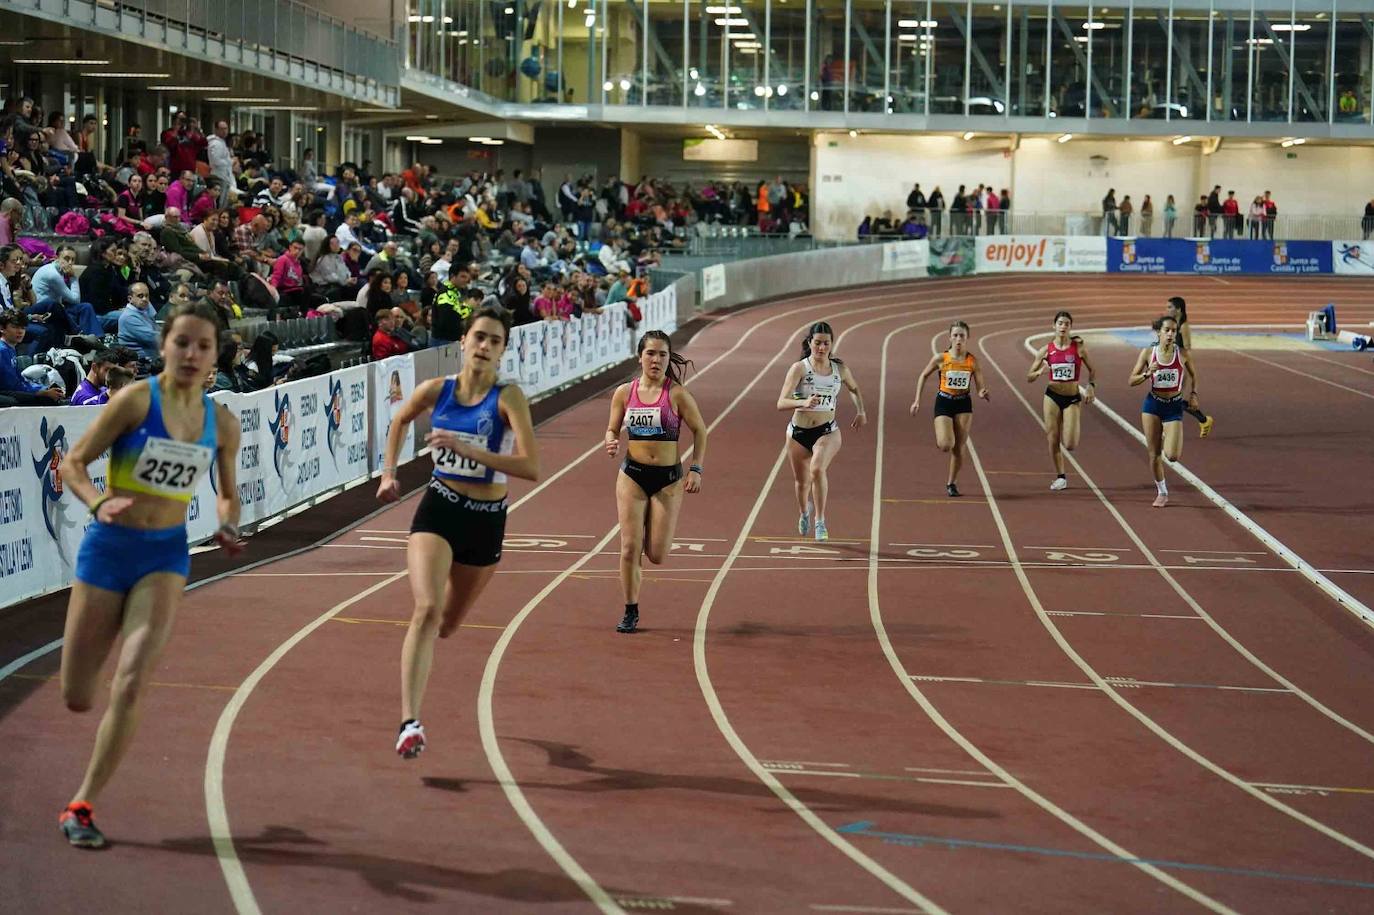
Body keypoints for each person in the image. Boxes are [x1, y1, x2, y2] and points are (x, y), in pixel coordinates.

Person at [55, 301, 243, 848]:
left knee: (133, 680)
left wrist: (229, 523)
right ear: (163, 345)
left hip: (165, 555)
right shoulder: (136, 400)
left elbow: (228, 493)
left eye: (203, 345)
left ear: (215, 355)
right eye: (182, 342)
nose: (191, 354)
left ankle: (81, 805)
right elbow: (73, 462)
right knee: (77, 696)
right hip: (109, 550)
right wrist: (95, 503)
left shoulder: (221, 421)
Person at [376, 306, 540, 758]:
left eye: (495, 341)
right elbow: (398, 419)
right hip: (440, 507)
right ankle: (410, 722)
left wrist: (470, 450)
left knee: (447, 625)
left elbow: (532, 467)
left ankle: (416, 704)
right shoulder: (436, 390)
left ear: (503, 351)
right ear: (463, 342)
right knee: (426, 609)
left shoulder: (509, 399)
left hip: (485, 522)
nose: (485, 346)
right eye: (479, 337)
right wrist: (388, 473)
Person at [604, 330, 709, 634]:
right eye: (651, 353)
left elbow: (701, 431)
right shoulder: (625, 393)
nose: (657, 360)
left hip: (667, 481)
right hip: (632, 476)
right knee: (628, 548)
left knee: (657, 554)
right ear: (640, 356)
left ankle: (650, 533)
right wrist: (611, 441)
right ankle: (630, 610)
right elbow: (611, 429)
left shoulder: (676, 394)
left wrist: (696, 468)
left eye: (663, 354)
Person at [775, 321, 866, 541]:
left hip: (827, 431)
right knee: (801, 482)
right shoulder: (799, 369)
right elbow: (781, 402)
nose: (821, 348)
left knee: (817, 469)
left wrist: (861, 410)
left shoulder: (839, 370)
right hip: (798, 433)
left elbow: (854, 388)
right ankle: (804, 512)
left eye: (826, 343)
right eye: (817, 343)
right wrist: (803, 402)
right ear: (810, 343)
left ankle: (820, 521)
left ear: (832, 344)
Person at [909, 321, 989, 497]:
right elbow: (923, 375)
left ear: (967, 337)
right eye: (955, 335)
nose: (959, 339)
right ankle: (943, 435)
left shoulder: (972, 361)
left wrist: (982, 392)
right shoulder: (940, 358)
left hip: (963, 404)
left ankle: (951, 483)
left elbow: (980, 386)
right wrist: (917, 401)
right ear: (950, 337)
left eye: (962, 335)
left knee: (959, 447)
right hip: (944, 401)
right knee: (946, 444)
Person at [1129, 315, 1198, 508]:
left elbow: (1194, 375)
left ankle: (1169, 432)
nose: (1170, 334)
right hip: (1152, 406)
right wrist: (1146, 373)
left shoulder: (1182, 354)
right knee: (1154, 454)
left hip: (1173, 406)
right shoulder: (1148, 353)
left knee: (1173, 455)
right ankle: (1162, 492)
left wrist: (1193, 393)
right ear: (1158, 332)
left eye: (1173, 331)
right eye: (1166, 330)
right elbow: (1131, 380)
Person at [1026, 310, 1097, 491]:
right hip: (1052, 396)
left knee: (1071, 444)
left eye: (1066, 323)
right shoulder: (1046, 350)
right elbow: (1029, 377)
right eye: (1060, 323)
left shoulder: (1079, 348)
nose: (1063, 326)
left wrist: (1091, 386)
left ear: (1070, 327)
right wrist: (1040, 372)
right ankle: (1061, 477)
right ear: (1054, 326)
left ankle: (1062, 471)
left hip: (1072, 397)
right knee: (1052, 438)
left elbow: (1093, 370)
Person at [1164, 296, 1213, 436]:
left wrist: (1182, 367)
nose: (1167, 310)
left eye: (1170, 307)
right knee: (1171, 400)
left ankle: (1169, 430)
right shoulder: (1172, 324)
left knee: (1171, 400)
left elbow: (1187, 349)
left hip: (1179, 368)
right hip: (1170, 367)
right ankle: (1203, 420)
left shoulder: (1184, 327)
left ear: (1178, 309)